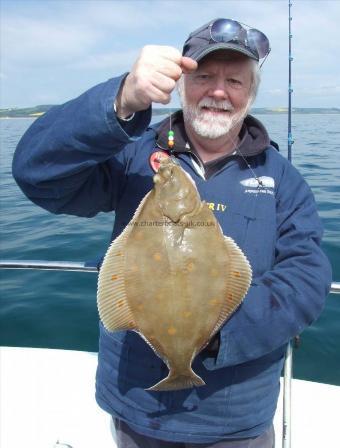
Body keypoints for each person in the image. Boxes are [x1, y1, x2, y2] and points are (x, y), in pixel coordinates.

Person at [12, 18, 332, 448]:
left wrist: (217, 330)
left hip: (236, 420)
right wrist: (121, 98)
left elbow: (307, 279)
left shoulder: (284, 180)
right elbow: (37, 175)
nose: (218, 91)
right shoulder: (130, 155)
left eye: (234, 80)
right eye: (203, 77)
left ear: (250, 94)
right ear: (181, 84)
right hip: (138, 407)